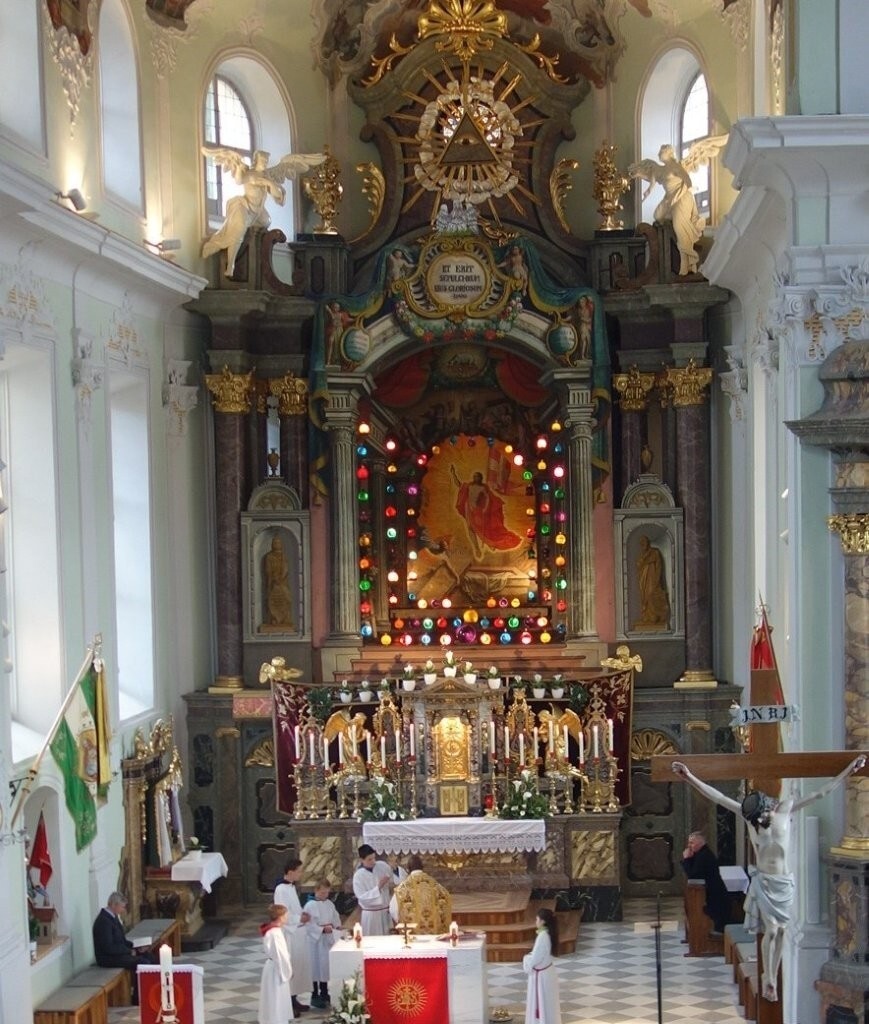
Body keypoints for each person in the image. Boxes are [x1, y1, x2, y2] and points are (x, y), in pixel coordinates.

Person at [672, 754, 866, 1002]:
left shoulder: (786, 809)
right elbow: (718, 797)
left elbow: (821, 793)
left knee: (783, 930)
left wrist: (849, 771)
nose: (757, 825)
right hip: (764, 882)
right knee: (772, 931)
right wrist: (689, 777)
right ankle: (769, 978)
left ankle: (772, 973)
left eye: (760, 820)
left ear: (769, 809)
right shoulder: (751, 819)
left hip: (783, 882)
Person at [92, 892, 154, 1005]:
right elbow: (108, 947)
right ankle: (138, 998)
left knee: (149, 956)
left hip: (117, 954)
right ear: (114, 905)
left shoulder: (113, 917)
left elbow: (122, 940)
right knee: (142, 962)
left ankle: (153, 990)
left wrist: (136, 947)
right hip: (107, 958)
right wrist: (129, 951)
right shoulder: (103, 922)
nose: (123, 910)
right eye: (122, 907)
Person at [449, 465, 520, 560]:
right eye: (474, 476)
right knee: (470, 528)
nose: (475, 478)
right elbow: (458, 484)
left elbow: (487, 498)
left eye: (477, 477)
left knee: (484, 528)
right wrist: (453, 474)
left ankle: (490, 543)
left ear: (480, 479)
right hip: (469, 508)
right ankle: (476, 548)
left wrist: (485, 508)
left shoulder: (483, 488)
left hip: (478, 511)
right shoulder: (469, 486)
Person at [274, 859, 313, 1015]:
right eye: (299, 870)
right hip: (289, 933)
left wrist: (301, 914)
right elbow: (282, 913)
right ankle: (288, 1003)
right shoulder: (281, 889)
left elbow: (293, 908)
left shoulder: (290, 887)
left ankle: (294, 998)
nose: (301, 873)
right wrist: (299, 919)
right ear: (290, 871)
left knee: (297, 966)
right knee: (290, 966)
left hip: (297, 932)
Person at [680, 830, 729, 935]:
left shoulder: (704, 856)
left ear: (700, 842)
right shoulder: (701, 853)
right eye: (689, 843)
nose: (689, 846)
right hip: (711, 892)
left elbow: (693, 875)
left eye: (692, 843)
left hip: (714, 896)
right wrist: (689, 859)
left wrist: (686, 859)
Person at [388, 855, 452, 935]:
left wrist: (402, 920)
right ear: (422, 867)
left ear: (408, 869)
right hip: (434, 935)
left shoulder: (402, 889)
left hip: (412, 935)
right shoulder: (437, 886)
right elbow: (446, 900)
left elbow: (393, 909)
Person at [304, 880, 342, 1009]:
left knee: (325, 967)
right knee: (315, 968)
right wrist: (321, 929)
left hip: (327, 939)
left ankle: (325, 993)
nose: (325, 895)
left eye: (327, 892)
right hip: (315, 941)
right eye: (322, 892)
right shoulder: (309, 905)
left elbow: (335, 916)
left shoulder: (329, 903)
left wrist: (337, 926)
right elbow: (308, 924)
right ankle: (314, 996)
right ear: (316, 891)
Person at [522, 907, 561, 1024]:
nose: (536, 922)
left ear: (543, 921)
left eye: (537, 919)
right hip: (547, 973)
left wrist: (526, 958)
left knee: (542, 1004)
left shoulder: (542, 936)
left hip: (542, 977)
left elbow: (535, 959)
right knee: (548, 1004)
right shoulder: (548, 933)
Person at [258, 904, 294, 1024]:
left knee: (273, 996)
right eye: (286, 915)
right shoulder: (275, 933)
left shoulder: (273, 930)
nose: (287, 917)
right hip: (277, 969)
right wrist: (288, 971)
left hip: (273, 967)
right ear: (280, 916)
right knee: (276, 997)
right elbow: (281, 956)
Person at [352, 844, 393, 936]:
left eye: (374, 858)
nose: (373, 861)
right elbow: (362, 897)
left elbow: (391, 879)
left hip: (385, 912)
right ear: (361, 860)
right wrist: (378, 887)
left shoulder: (382, 866)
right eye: (369, 859)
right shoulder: (358, 876)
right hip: (371, 916)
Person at [633, 533, 669, 630]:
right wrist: (644, 558)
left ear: (648, 543)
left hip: (653, 580)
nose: (643, 545)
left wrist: (657, 579)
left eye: (644, 542)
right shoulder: (642, 555)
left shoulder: (654, 552)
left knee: (653, 595)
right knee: (645, 597)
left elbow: (659, 566)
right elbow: (638, 565)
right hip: (643, 581)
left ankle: (655, 616)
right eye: (641, 543)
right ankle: (647, 616)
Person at [263, 536, 293, 628]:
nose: (276, 544)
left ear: (281, 544)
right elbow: (267, 570)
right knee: (272, 600)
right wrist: (274, 578)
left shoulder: (284, 556)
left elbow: (286, 568)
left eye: (278, 542)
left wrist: (281, 577)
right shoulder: (269, 556)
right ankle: (274, 619)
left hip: (282, 582)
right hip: (273, 582)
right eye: (274, 542)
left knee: (287, 599)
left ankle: (284, 619)